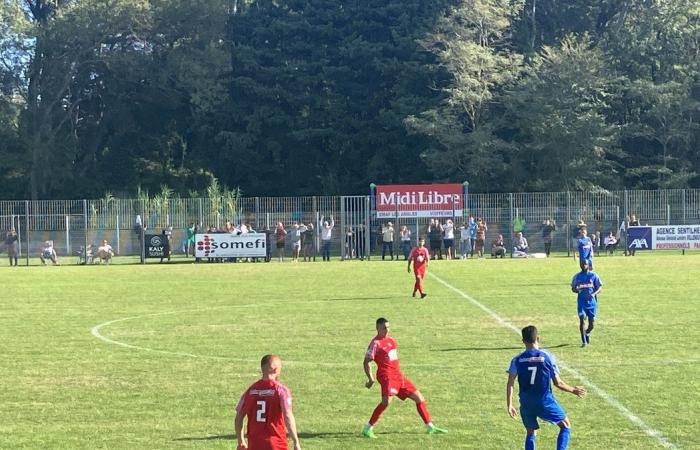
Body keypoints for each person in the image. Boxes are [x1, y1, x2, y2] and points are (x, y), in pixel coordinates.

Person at [362, 317, 447, 439]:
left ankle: (430, 427)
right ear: (377, 328)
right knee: (386, 402)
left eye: (388, 327)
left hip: (398, 376)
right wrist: (370, 379)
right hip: (387, 377)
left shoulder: (391, 341)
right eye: (384, 328)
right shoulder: (375, 344)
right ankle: (368, 428)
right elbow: (366, 362)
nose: (387, 330)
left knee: (419, 398)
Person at [506, 325, 586, 450]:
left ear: (523, 341)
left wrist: (510, 404)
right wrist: (574, 390)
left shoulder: (516, 360)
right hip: (544, 401)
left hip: (526, 403)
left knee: (531, 432)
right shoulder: (548, 357)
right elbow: (558, 383)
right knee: (565, 425)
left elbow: (510, 383)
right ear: (538, 338)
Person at [234, 354, 302, 450]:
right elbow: (287, 416)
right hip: (275, 444)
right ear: (275, 369)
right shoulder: (281, 390)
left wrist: (241, 441)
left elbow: (238, 418)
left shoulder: (250, 391)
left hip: (254, 444)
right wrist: (296, 442)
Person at [571, 261, 603, 346]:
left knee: (592, 324)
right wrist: (576, 290)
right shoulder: (577, 276)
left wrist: (593, 294)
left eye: (585, 264)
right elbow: (573, 288)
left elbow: (600, 288)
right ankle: (584, 341)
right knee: (582, 319)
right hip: (581, 303)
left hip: (592, 304)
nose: (583, 265)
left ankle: (587, 333)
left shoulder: (594, 276)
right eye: (581, 264)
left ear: (588, 265)